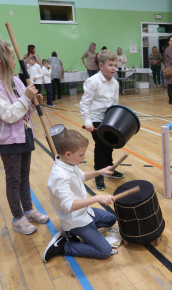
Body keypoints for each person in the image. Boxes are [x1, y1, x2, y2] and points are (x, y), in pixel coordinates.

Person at [43, 130, 117, 262]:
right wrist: (97, 198)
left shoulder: (68, 162)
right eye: (81, 155)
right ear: (69, 154)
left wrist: (100, 171)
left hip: (85, 212)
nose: (84, 157)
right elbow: (69, 206)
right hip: (75, 219)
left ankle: (73, 234)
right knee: (104, 251)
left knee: (111, 219)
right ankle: (64, 246)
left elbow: (81, 175)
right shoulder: (59, 176)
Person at [0, 39, 49, 235]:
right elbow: (9, 114)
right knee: (14, 179)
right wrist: (26, 98)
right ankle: (18, 217)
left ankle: (28, 210)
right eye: (12, 58)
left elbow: (27, 111)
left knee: (25, 177)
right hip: (9, 141)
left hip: (26, 135)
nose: (16, 62)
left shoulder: (17, 80)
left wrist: (33, 102)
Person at [80, 50, 124, 191]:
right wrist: (88, 122)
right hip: (95, 119)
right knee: (100, 146)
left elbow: (115, 104)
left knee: (109, 145)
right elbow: (84, 103)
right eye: (110, 65)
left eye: (115, 65)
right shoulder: (93, 82)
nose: (114, 68)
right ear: (101, 66)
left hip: (109, 118)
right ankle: (99, 174)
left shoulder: (115, 83)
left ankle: (109, 170)